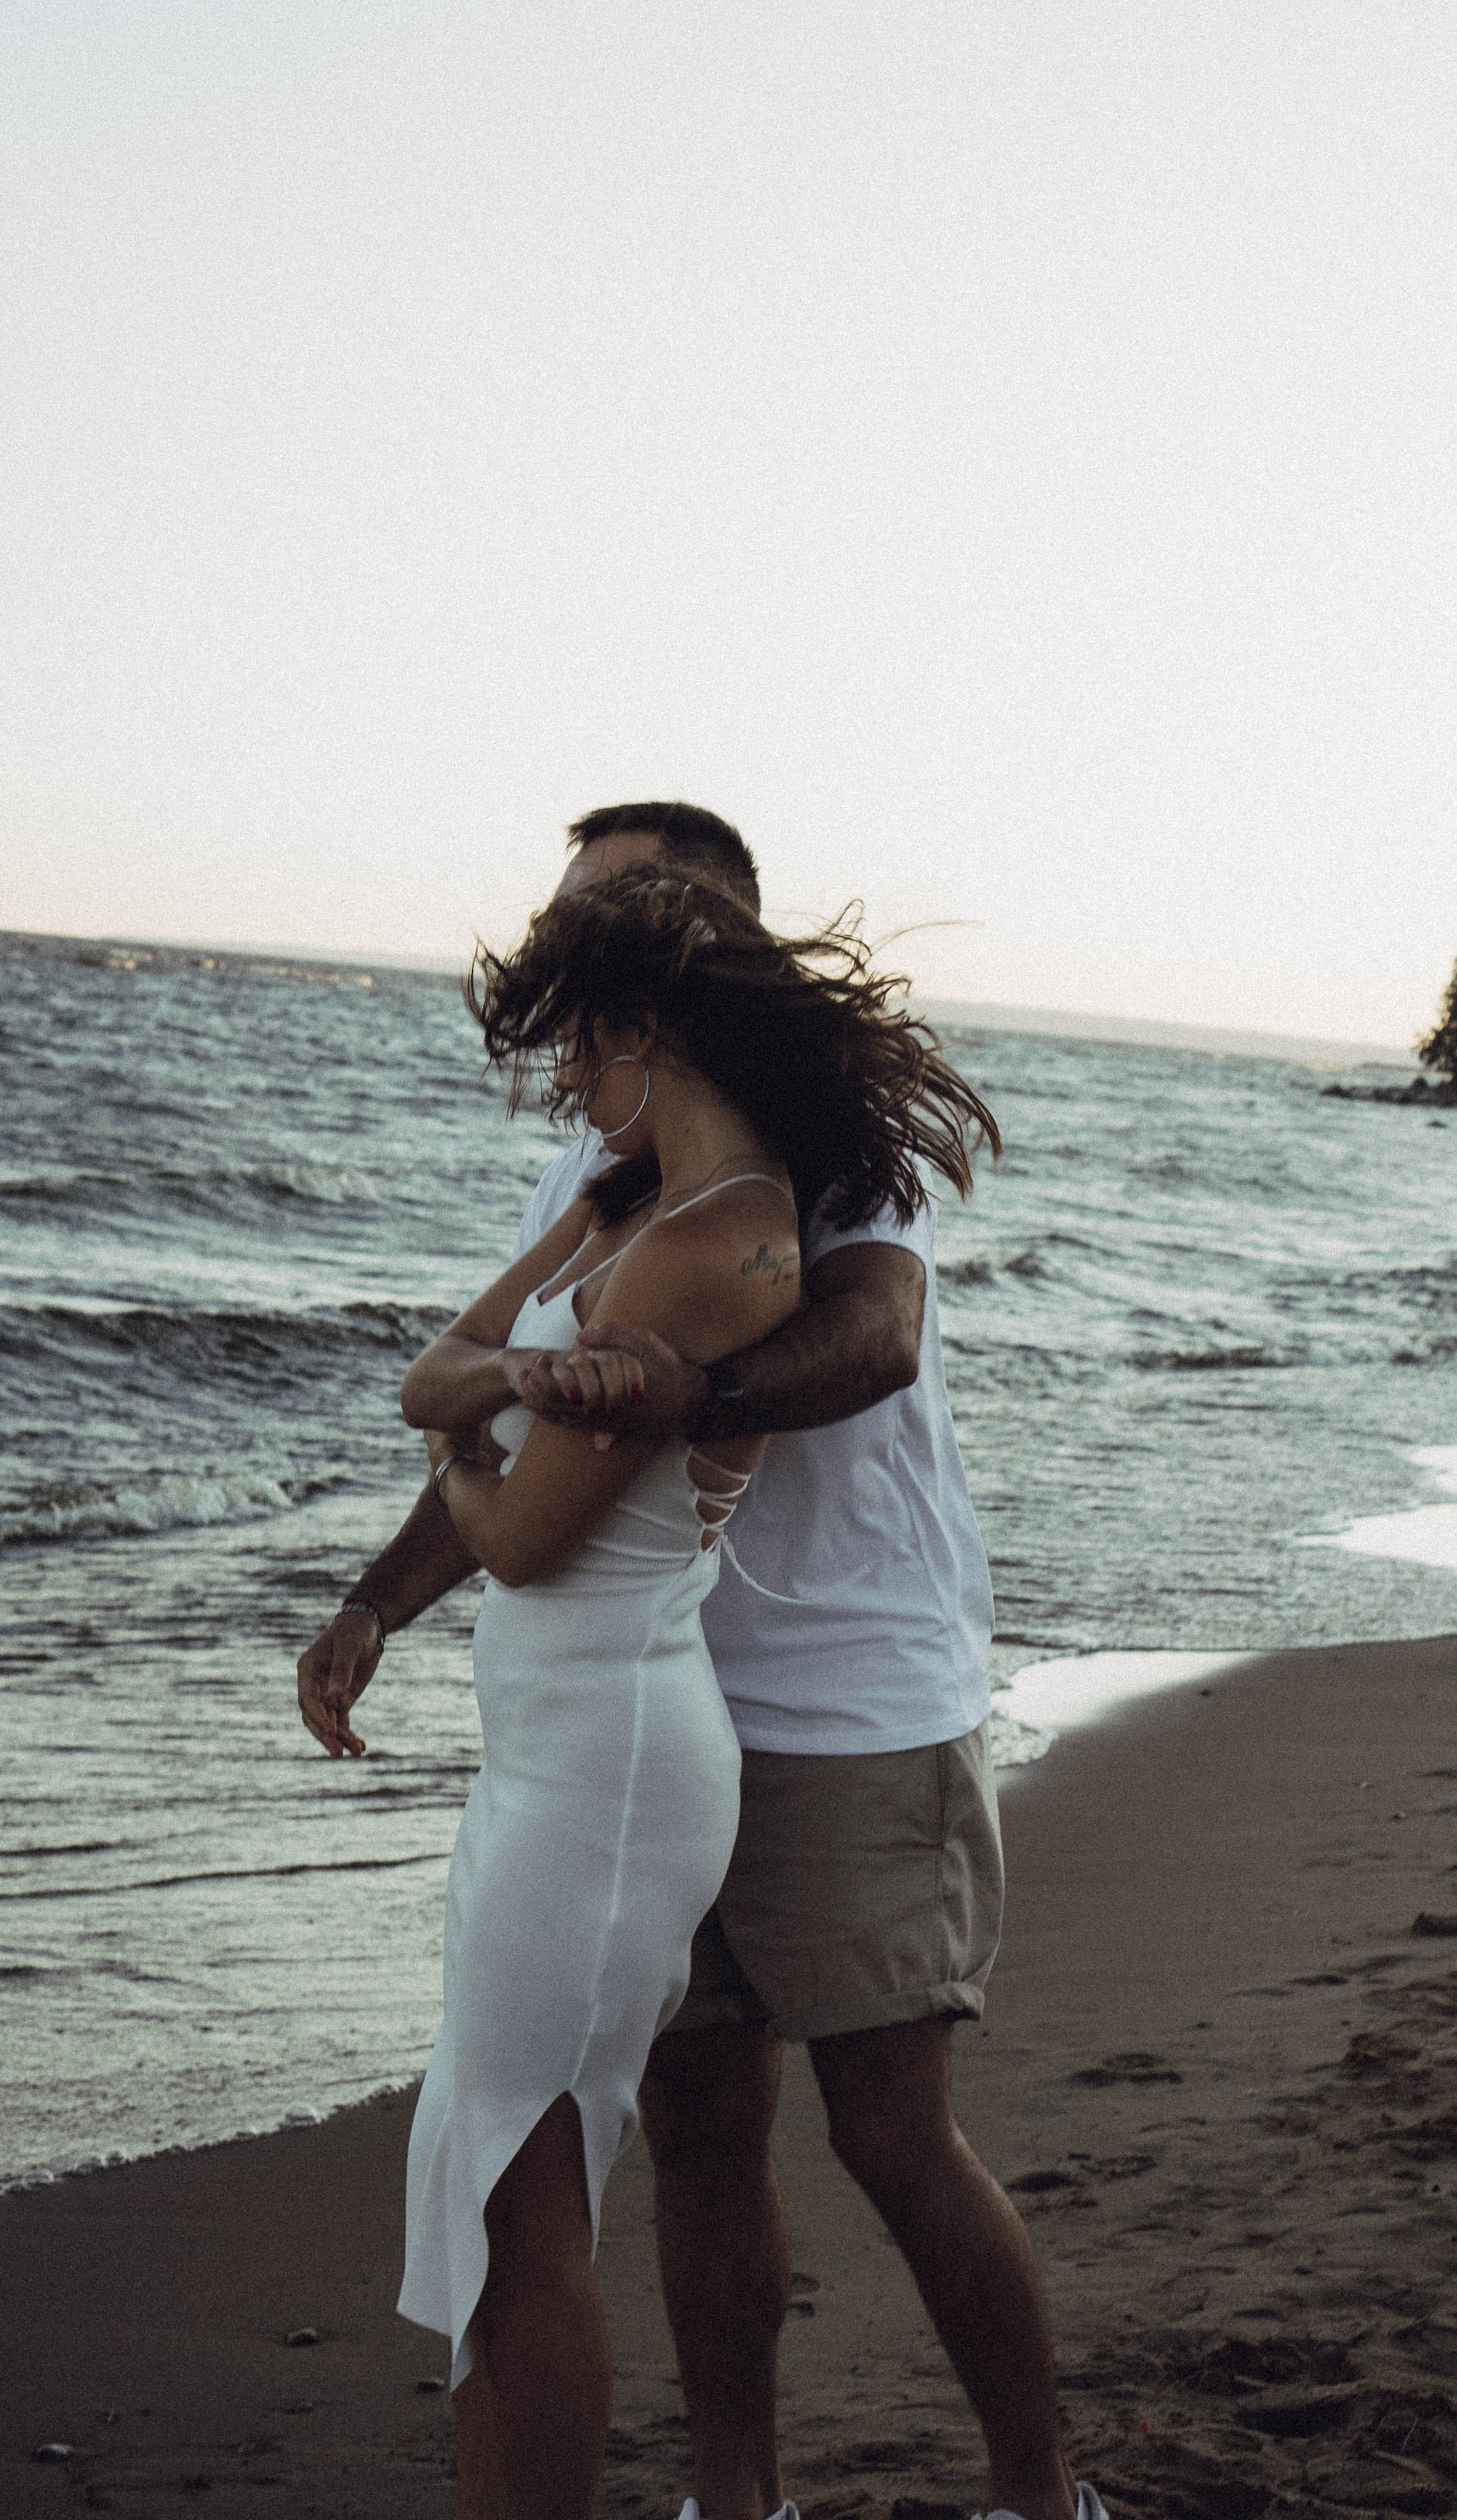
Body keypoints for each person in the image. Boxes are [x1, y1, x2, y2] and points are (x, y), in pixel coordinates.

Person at [298, 805, 1107, 2520]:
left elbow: (871, 1337)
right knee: (699, 2135)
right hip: (646, 1713)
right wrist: (380, 1599)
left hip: (844, 1696)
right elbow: (508, 1411)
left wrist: (695, 1400)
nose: (570, 952)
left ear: (700, 946)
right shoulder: (604, 1175)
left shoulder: (828, 1153)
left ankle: (1046, 2498)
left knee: (890, 2133)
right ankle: (733, 2500)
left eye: (612, 919)